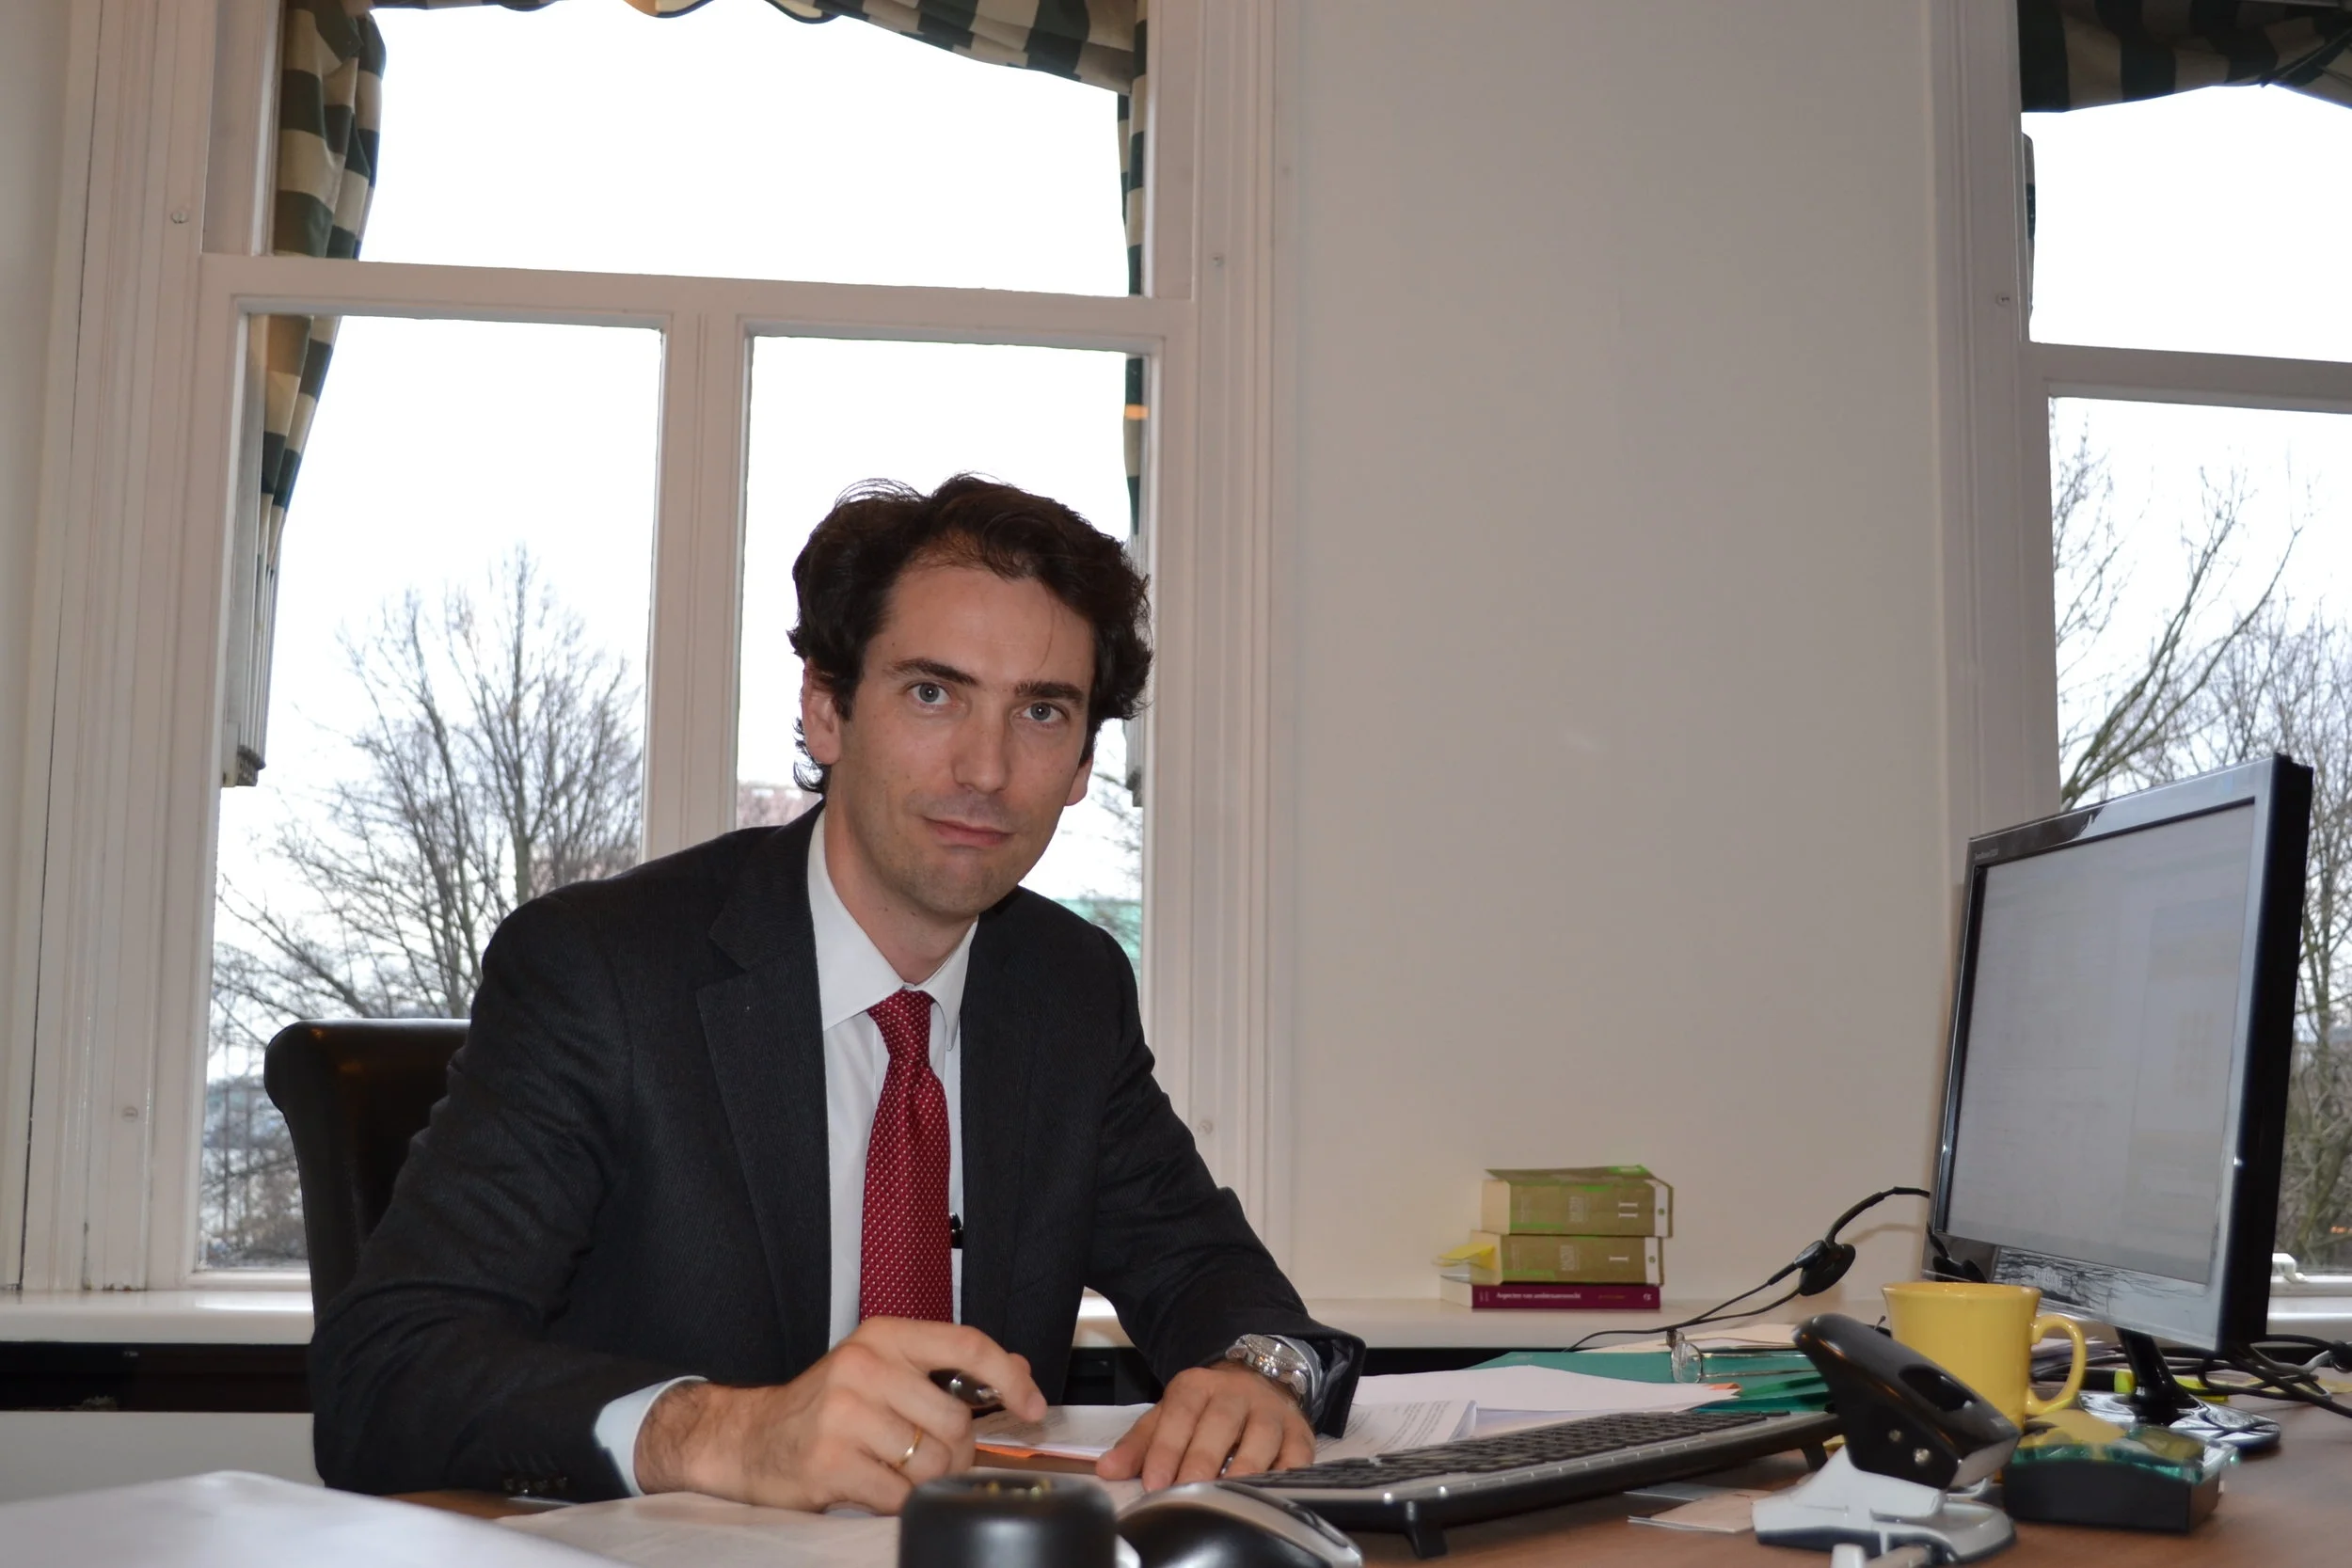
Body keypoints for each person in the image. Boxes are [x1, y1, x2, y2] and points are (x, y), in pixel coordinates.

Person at [310, 475, 1361, 1510]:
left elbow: (1208, 1270)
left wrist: (1257, 1371)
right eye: (933, 693)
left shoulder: (1068, 989)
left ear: (1084, 764)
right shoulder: (601, 970)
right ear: (826, 711)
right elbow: (385, 1371)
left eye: (1042, 711)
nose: (986, 768)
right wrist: (722, 1431)